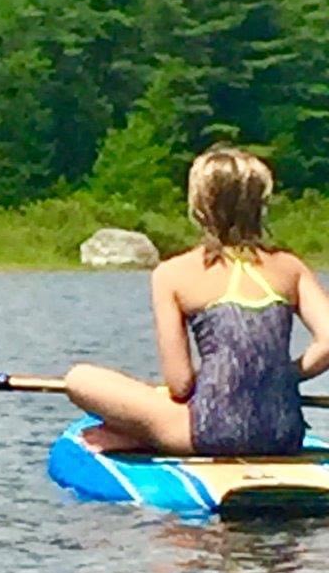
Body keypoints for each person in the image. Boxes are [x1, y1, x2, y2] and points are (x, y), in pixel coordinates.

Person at [65, 145, 329, 455]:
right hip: (283, 434)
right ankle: (148, 435)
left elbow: (179, 386)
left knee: (80, 378)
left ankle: (145, 438)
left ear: (200, 204)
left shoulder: (172, 273)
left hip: (212, 433)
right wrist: (284, 375)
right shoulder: (290, 267)